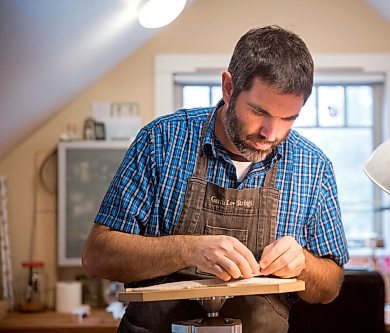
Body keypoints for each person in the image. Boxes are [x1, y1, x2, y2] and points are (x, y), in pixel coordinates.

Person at [82, 25, 349, 333]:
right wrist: (188, 250)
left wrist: (303, 262)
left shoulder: (312, 166)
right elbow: (96, 255)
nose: (271, 133)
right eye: (258, 112)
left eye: (288, 118)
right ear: (228, 87)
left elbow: (330, 286)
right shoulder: (162, 141)